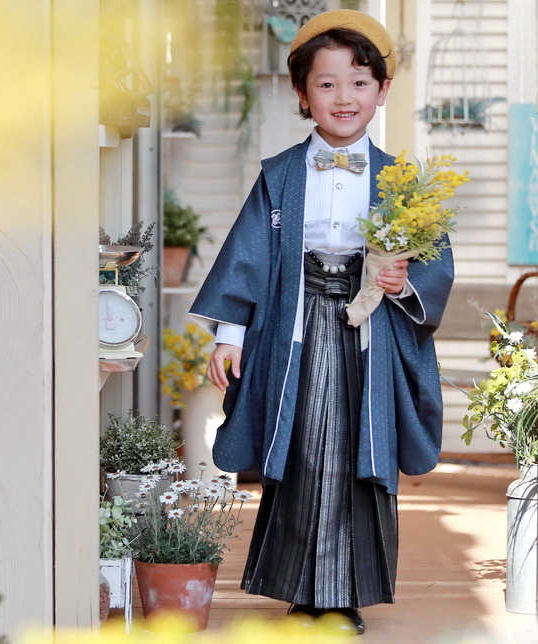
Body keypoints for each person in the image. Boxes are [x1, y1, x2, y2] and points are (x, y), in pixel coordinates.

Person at [189, 9, 454, 635]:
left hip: (372, 334)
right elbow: (248, 258)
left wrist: (402, 281)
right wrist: (231, 336)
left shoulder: (402, 183)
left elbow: (435, 264)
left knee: (363, 453)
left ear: (382, 91)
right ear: (303, 93)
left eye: (360, 82)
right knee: (303, 449)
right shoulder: (280, 175)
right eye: (327, 83)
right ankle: (300, 590)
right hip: (297, 327)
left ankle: (348, 592)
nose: (344, 97)